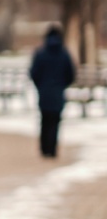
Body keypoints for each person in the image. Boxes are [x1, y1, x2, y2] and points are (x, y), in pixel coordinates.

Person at [28, 24, 77, 159]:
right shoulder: (64, 54)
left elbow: (33, 73)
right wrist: (62, 85)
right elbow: (71, 74)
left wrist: (41, 85)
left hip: (44, 92)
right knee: (55, 121)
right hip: (58, 92)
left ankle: (44, 149)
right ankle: (53, 149)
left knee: (44, 120)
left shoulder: (40, 53)